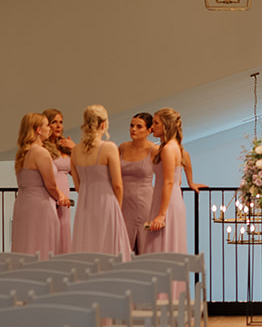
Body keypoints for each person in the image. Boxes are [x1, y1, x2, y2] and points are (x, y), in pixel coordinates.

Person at [70, 104, 132, 259]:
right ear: (103, 124)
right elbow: (117, 184)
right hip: (107, 204)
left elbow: (77, 185)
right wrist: (117, 207)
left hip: (85, 206)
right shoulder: (109, 147)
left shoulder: (75, 150)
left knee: (87, 244)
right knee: (109, 248)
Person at [11, 111, 69, 259]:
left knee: (26, 244)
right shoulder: (41, 153)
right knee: (42, 244)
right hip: (40, 205)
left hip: (23, 203)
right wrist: (61, 196)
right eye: (47, 125)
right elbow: (50, 185)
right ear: (38, 130)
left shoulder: (22, 153)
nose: (49, 129)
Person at [139, 107, 187, 253]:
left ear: (166, 125)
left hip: (167, 202)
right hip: (167, 198)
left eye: (156, 123)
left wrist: (161, 215)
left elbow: (169, 181)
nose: (152, 127)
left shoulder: (168, 149)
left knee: (160, 245)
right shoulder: (173, 146)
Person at [119, 111, 157, 253]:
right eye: (131, 125)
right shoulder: (122, 147)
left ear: (149, 130)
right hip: (124, 201)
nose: (133, 129)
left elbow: (167, 176)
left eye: (139, 126)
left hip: (145, 201)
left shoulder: (154, 149)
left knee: (145, 244)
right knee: (122, 246)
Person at [42, 107, 74, 254]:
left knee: (64, 230)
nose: (58, 126)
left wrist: (75, 149)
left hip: (65, 197)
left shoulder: (65, 146)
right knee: (51, 232)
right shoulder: (43, 148)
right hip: (50, 193)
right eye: (54, 122)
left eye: (61, 122)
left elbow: (76, 171)